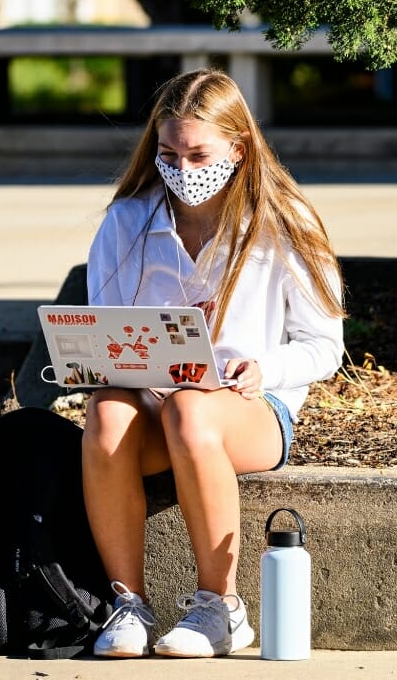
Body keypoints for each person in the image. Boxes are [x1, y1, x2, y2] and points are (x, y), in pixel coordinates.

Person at [81, 68, 345, 659]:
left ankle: (220, 607)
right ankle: (127, 603)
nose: (184, 169)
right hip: (155, 402)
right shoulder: (129, 221)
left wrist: (264, 369)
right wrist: (102, 363)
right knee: (106, 415)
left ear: (238, 147)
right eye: (169, 152)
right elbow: (108, 327)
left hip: (252, 408)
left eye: (200, 154)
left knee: (192, 413)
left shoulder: (285, 223)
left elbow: (325, 345)